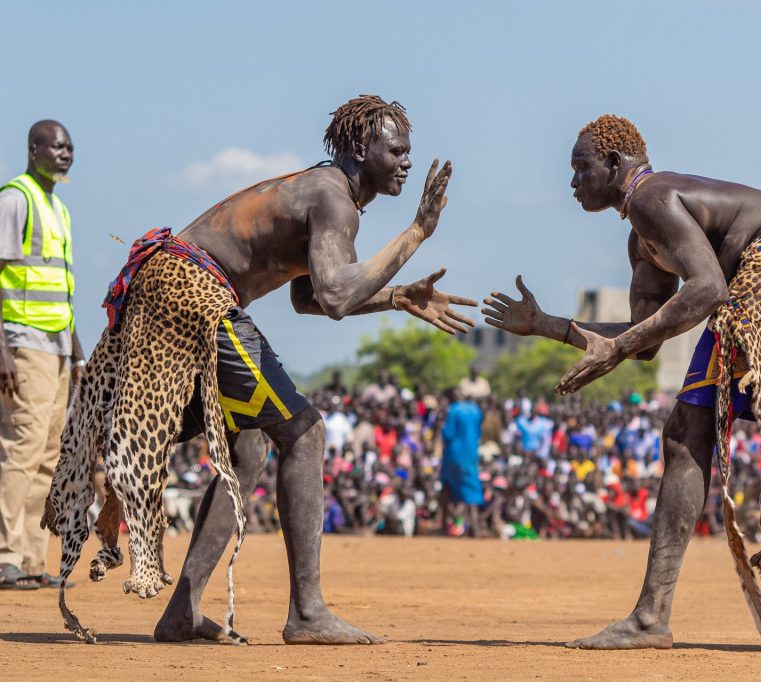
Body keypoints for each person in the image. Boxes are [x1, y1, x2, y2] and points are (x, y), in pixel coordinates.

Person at [482, 114, 761, 651]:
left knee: (686, 434)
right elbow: (646, 338)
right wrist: (549, 326)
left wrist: (616, 348)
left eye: (581, 167)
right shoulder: (643, 236)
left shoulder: (651, 197)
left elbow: (708, 291)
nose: (573, 182)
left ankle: (651, 619)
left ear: (613, 163)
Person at [146, 95, 476, 644]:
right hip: (196, 295)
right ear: (357, 148)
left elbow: (310, 298)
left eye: (408, 152)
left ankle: (182, 610)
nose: (405, 162)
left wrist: (396, 297)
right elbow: (337, 296)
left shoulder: (326, 195)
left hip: (175, 292)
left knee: (249, 446)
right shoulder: (333, 198)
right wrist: (417, 232)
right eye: (395, 150)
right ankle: (307, 612)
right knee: (304, 433)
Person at [0, 121, 84, 590]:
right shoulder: (16, 198)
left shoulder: (58, 208)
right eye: (57, 145)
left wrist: (76, 352)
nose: (66, 153)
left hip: (55, 345)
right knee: (21, 448)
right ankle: (4, 556)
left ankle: (30, 560)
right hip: (21, 341)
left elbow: (61, 287)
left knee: (49, 454)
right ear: (34, 149)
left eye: (70, 146)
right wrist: (3, 352)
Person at [439, 388, 484, 536]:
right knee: (471, 490)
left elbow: (448, 434)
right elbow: (478, 433)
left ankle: (445, 526)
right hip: (471, 455)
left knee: (447, 488)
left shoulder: (453, 410)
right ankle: (475, 527)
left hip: (454, 455)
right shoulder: (475, 410)